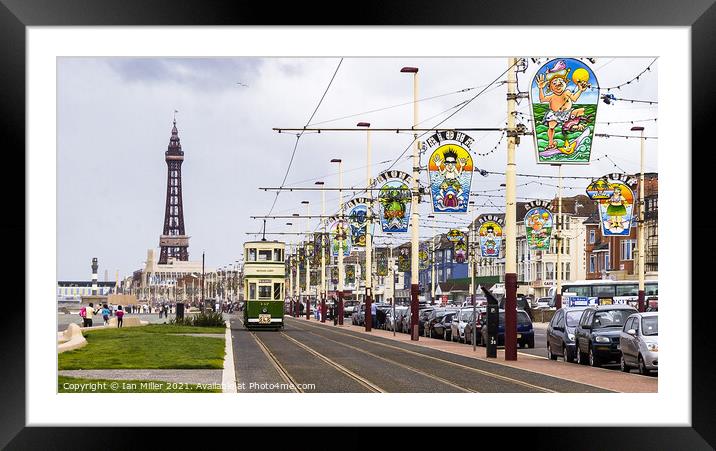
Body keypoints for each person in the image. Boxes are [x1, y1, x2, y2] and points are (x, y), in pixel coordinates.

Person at [535, 61, 587, 151]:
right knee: (551, 126)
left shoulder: (567, 92)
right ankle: (551, 143)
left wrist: (580, 90)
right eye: (554, 83)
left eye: (560, 82)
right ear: (550, 87)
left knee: (581, 111)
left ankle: (575, 125)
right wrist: (540, 88)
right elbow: (542, 99)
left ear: (565, 83)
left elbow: (574, 98)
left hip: (568, 113)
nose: (557, 84)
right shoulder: (551, 96)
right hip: (555, 114)